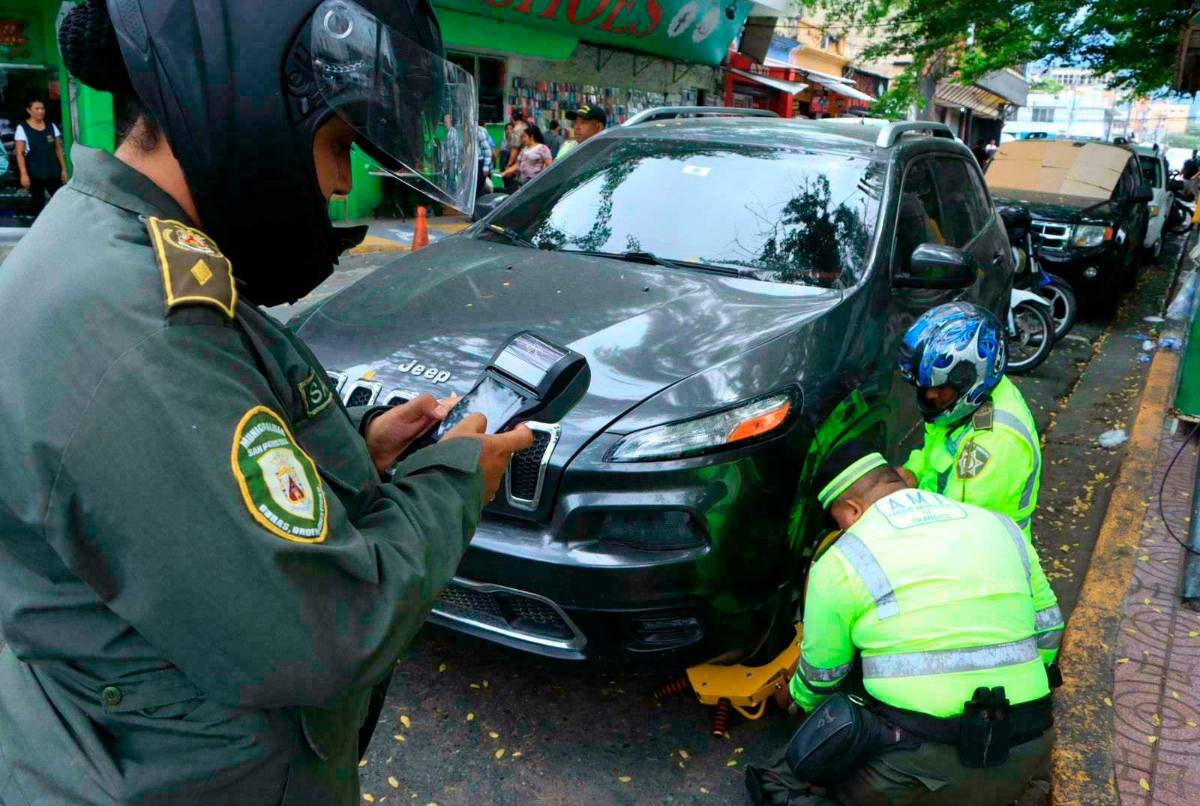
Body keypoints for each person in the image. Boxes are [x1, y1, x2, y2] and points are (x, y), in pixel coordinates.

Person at [0, 2, 533, 805]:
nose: (342, 183)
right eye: (338, 144)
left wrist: (355, 450)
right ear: (242, 101)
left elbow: (197, 476)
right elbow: (328, 629)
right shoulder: (140, 325)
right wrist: (455, 480)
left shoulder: (119, 252)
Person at [773, 440, 1061, 805]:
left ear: (852, 509)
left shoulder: (843, 559)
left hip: (924, 772)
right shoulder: (1000, 526)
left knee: (812, 770)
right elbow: (1049, 629)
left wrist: (793, 698)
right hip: (1028, 749)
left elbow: (822, 676)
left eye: (837, 519)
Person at [897, 302, 1042, 542]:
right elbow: (935, 450)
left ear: (969, 378)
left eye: (939, 387)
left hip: (984, 554)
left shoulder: (993, 442)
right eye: (924, 387)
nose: (930, 395)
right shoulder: (970, 404)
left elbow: (959, 530)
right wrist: (913, 471)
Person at [14, 96, 68, 216]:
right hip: (35, 174)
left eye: (42, 108)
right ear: (29, 110)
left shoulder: (51, 126)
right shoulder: (22, 128)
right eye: (37, 109)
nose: (40, 111)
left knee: (61, 202)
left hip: (53, 172)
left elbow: (58, 149)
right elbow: (20, 153)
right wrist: (23, 174)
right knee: (38, 204)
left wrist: (64, 170)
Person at [500, 123, 553, 188]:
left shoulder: (543, 148)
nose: (523, 139)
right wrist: (506, 172)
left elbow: (549, 166)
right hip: (522, 183)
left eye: (524, 136)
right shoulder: (524, 149)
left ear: (531, 137)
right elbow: (518, 164)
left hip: (534, 183)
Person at [503, 108, 528, 191]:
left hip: (518, 162)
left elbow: (515, 149)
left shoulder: (516, 130)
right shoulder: (526, 127)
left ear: (512, 118)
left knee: (513, 186)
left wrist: (509, 165)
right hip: (527, 160)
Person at [476, 121, 495, 198]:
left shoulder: (479, 131)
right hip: (476, 163)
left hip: (480, 163)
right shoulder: (468, 130)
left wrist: (486, 167)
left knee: (479, 188)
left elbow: (488, 150)